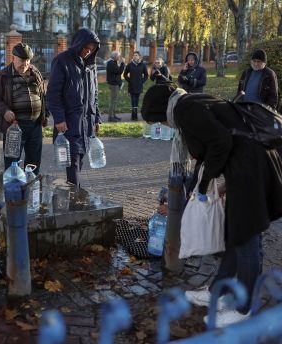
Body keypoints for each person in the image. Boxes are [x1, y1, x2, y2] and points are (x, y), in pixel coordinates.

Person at [141, 83, 282, 328]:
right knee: (235, 233)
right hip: (247, 164)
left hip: (250, 168)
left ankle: (244, 307)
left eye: (158, 121)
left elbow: (221, 143)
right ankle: (220, 291)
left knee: (248, 237)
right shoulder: (191, 101)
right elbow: (212, 147)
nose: (163, 126)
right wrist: (199, 184)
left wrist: (206, 183)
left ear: (161, 111)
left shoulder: (185, 110)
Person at [46, 28, 101, 186]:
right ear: (78, 44)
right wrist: (59, 118)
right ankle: (75, 201)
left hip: (86, 124)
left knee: (79, 162)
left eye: (91, 49)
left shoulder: (91, 65)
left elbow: (94, 94)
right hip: (69, 124)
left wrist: (96, 118)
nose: (88, 52)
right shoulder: (62, 61)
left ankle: (73, 193)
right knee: (73, 166)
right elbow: (53, 94)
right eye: (85, 48)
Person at [0, 42, 47, 175]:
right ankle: (13, 193)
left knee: (34, 164)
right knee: (12, 164)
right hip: (14, 126)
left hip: (35, 125)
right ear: (13, 58)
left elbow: (43, 95)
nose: (25, 64)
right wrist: (5, 111)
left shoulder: (35, 73)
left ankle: (31, 191)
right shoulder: (3, 76)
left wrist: (45, 115)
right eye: (21, 60)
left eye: (27, 60)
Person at [123, 51, 148, 121]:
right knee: (133, 100)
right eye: (134, 55)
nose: (134, 56)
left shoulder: (142, 65)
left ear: (139, 57)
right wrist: (129, 80)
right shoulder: (130, 65)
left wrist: (142, 81)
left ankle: (135, 115)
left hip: (139, 86)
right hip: (132, 86)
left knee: (136, 101)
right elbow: (125, 74)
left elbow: (146, 75)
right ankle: (134, 115)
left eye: (136, 55)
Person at [106, 51, 125, 122]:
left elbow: (117, 73)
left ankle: (113, 115)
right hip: (113, 84)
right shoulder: (111, 63)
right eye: (118, 56)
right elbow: (119, 72)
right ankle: (110, 117)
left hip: (114, 83)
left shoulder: (112, 62)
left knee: (114, 100)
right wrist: (123, 63)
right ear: (115, 56)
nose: (119, 57)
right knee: (113, 101)